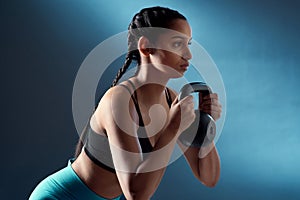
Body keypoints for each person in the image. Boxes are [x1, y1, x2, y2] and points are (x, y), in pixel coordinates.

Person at [29, 6, 222, 200]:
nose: (188, 55)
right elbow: (135, 195)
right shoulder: (118, 100)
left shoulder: (172, 100)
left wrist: (206, 125)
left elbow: (208, 178)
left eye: (188, 44)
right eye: (177, 44)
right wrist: (172, 127)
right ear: (146, 46)